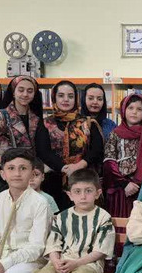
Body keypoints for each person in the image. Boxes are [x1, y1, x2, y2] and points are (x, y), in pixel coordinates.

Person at [0, 75, 66, 195]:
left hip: (26, 177)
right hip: (0, 178)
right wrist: (5, 162)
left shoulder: (36, 119)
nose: (25, 94)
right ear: (13, 92)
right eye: (21, 90)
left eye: (30, 91)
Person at [42, 81, 105, 209]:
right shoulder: (45, 123)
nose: (66, 99)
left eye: (70, 96)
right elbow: (43, 151)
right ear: (54, 98)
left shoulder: (88, 122)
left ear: (76, 99)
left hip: (84, 180)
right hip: (53, 181)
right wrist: (63, 168)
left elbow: (97, 150)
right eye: (61, 96)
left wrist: (78, 166)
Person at [103, 94, 142, 218]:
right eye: (131, 108)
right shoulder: (115, 134)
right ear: (123, 110)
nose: (134, 112)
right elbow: (109, 161)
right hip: (120, 189)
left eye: (139, 109)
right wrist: (124, 184)